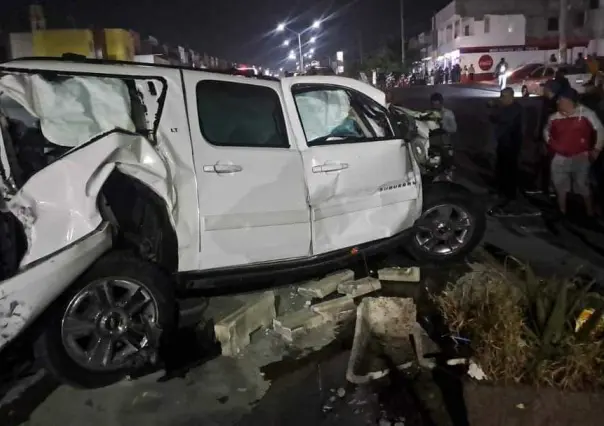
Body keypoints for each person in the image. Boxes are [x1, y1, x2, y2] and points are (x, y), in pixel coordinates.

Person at [544, 88, 604, 218]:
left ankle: (589, 212)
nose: (558, 103)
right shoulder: (554, 117)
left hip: (580, 156)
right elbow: (546, 132)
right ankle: (562, 211)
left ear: (570, 101)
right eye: (558, 100)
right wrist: (552, 144)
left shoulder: (587, 114)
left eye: (561, 100)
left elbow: (600, 130)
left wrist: (597, 149)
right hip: (560, 156)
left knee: (582, 185)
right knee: (559, 185)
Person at [488, 87, 524, 214]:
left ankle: (510, 197)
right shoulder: (506, 108)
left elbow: (498, 118)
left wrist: (494, 107)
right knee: (501, 168)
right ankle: (502, 192)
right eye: (501, 95)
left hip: (511, 144)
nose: (501, 98)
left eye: (504, 96)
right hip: (504, 142)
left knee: (510, 170)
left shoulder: (515, 108)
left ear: (511, 97)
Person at [529, 80, 562, 196]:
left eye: (545, 88)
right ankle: (544, 188)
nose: (543, 90)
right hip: (544, 138)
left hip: (551, 141)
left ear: (550, 89)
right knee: (543, 163)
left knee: (551, 165)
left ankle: (551, 189)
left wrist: (548, 141)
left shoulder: (557, 104)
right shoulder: (547, 101)